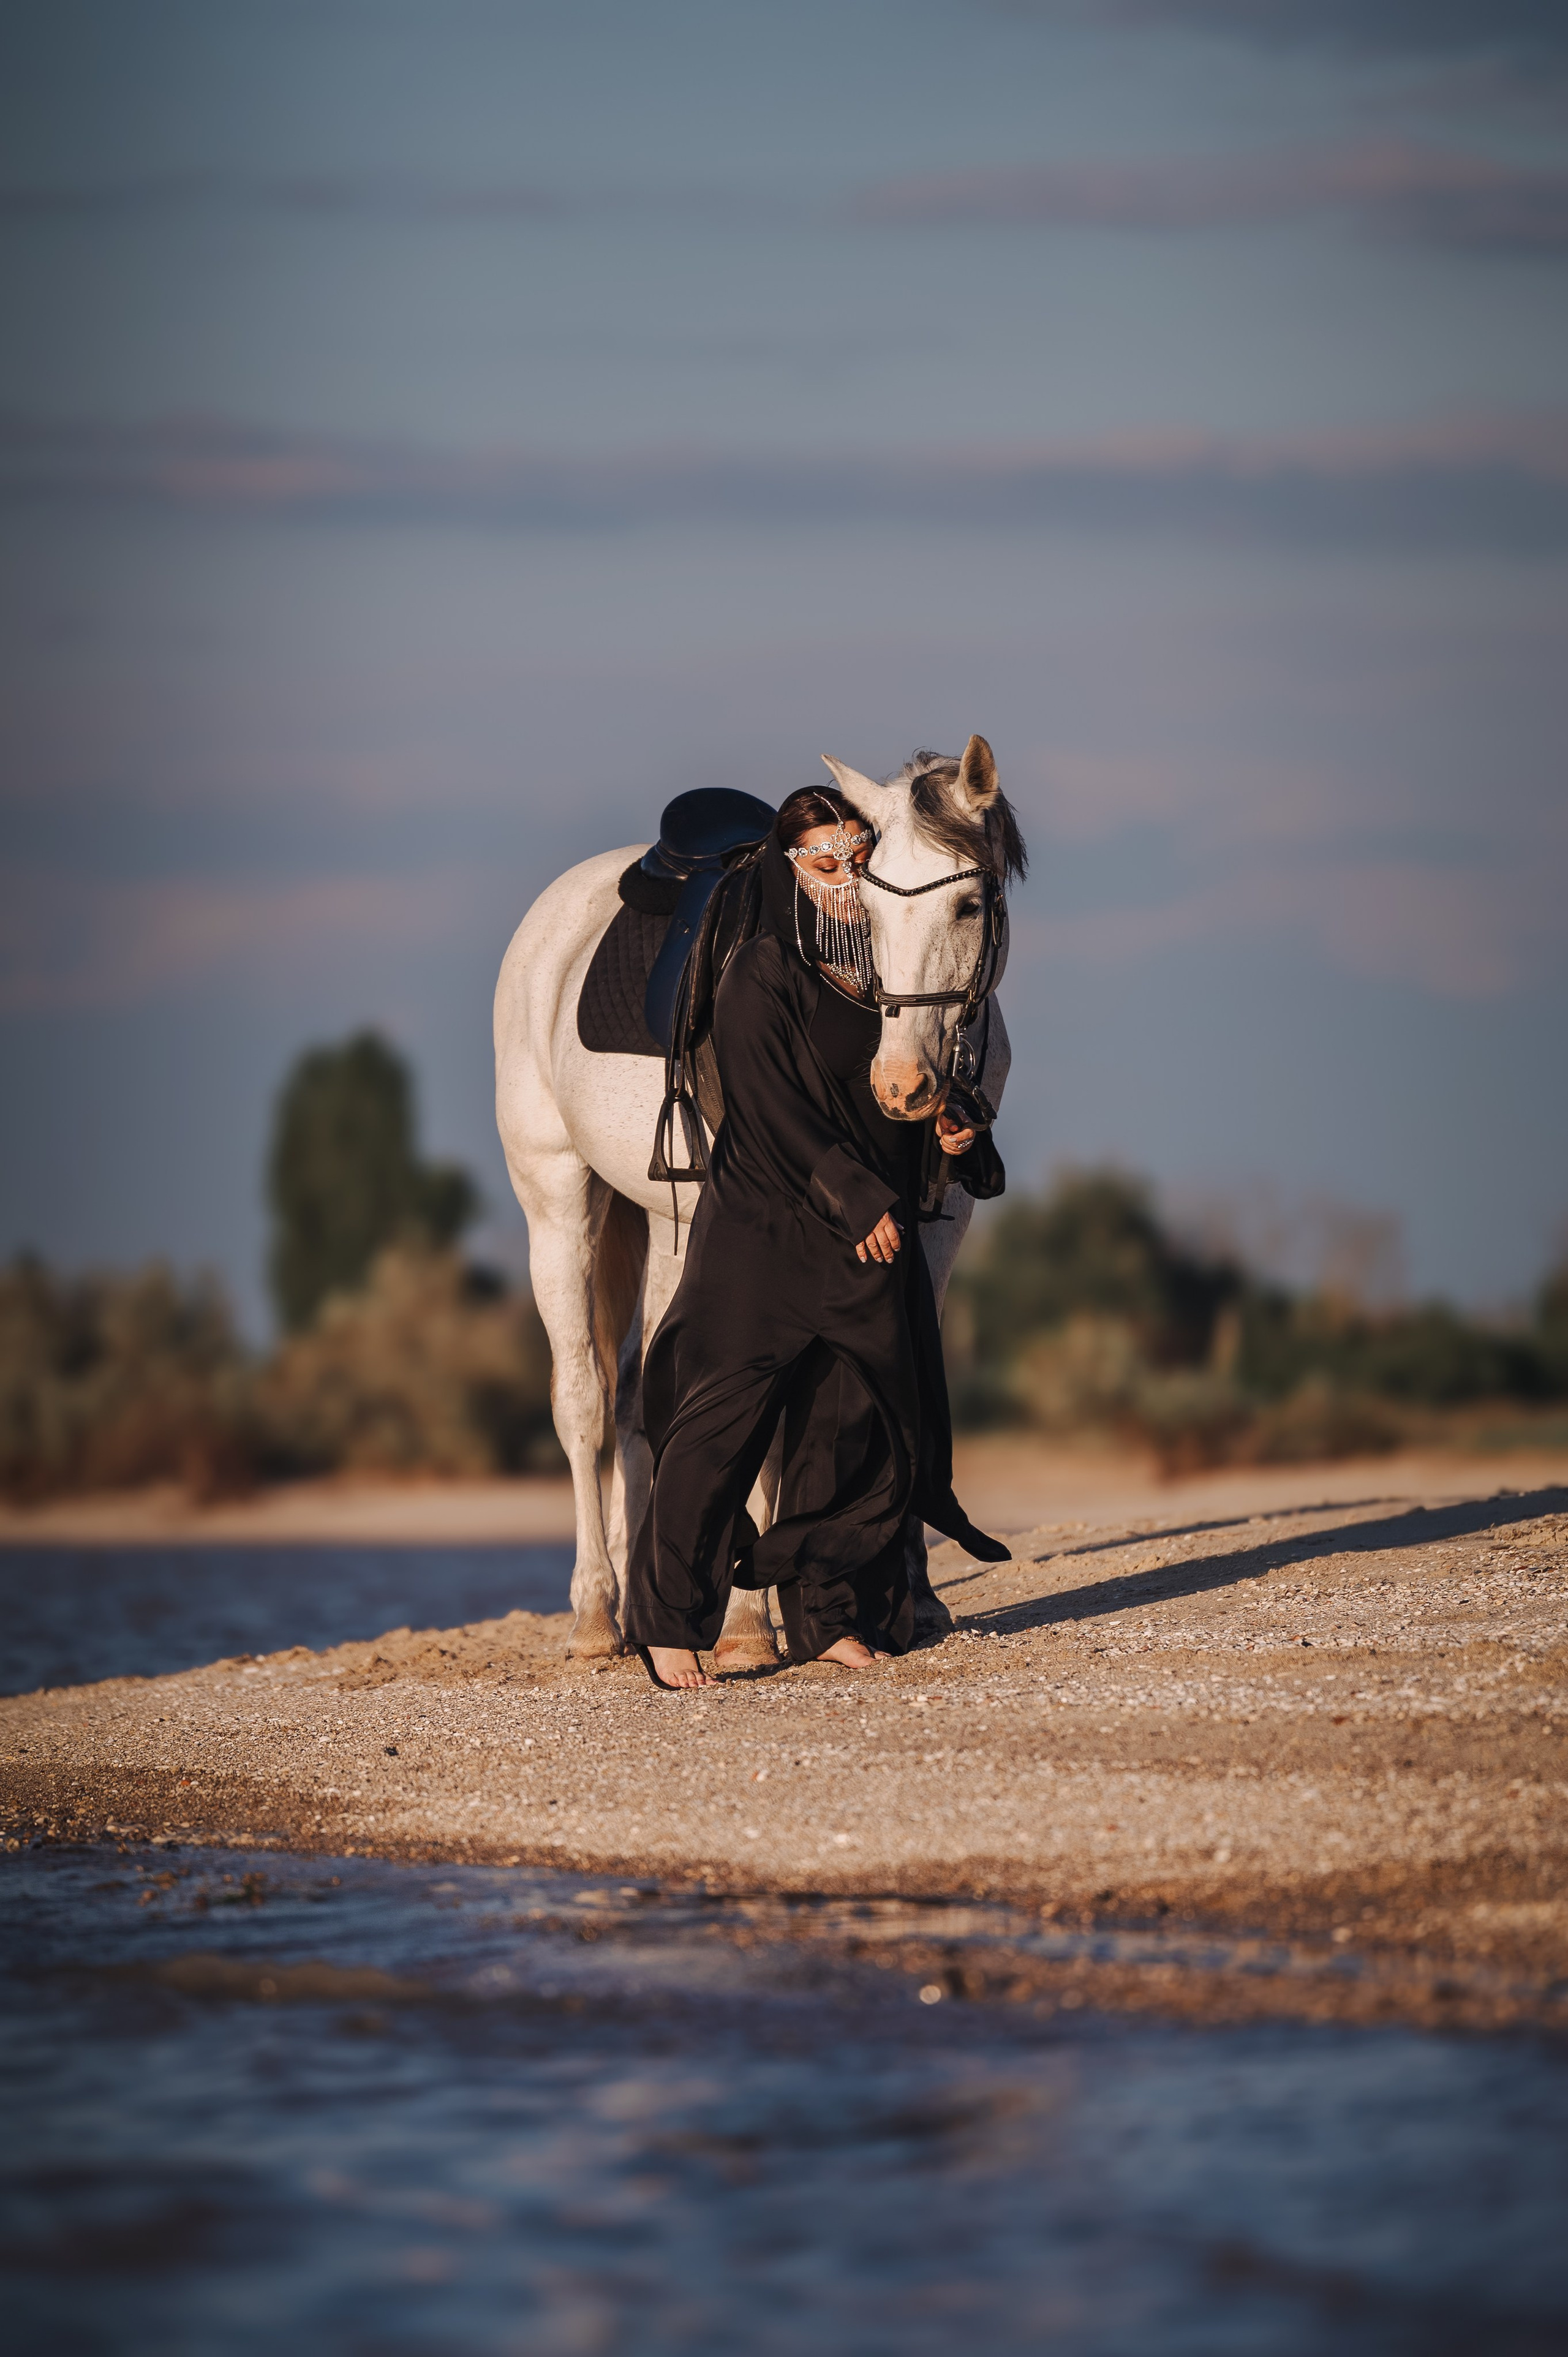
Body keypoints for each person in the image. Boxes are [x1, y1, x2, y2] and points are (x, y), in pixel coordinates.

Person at [624, 783, 1009, 1691]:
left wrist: (957, 1131)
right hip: (762, 1239)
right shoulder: (761, 970)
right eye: (824, 865)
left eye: (856, 862)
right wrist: (855, 1196)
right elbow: (770, 1110)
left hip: (867, 1245)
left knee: (852, 1435)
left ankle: (830, 1618)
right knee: (716, 1436)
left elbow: (910, 1099)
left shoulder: (895, 980)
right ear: (792, 870)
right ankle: (670, 1627)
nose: (843, 880)